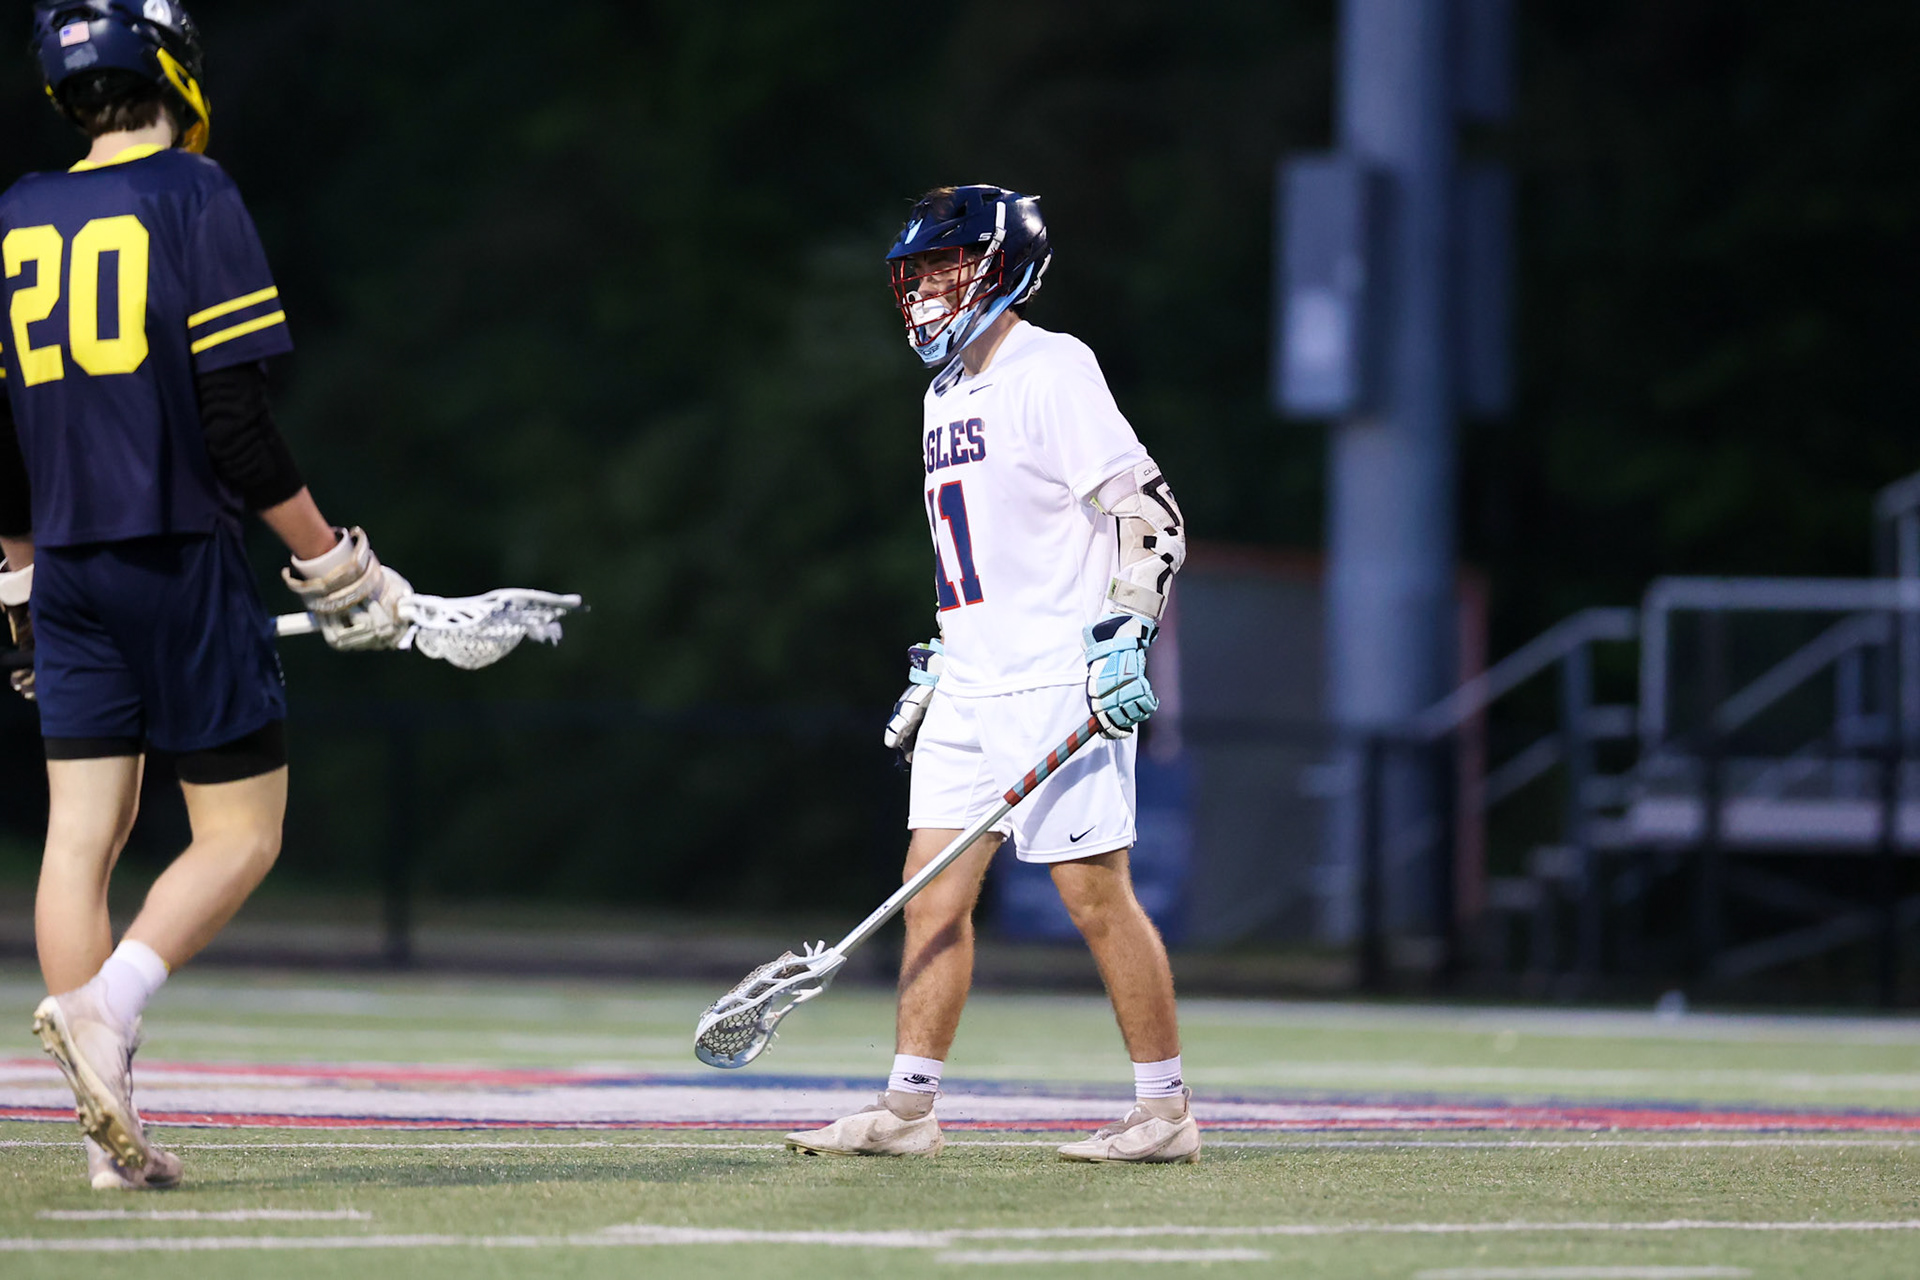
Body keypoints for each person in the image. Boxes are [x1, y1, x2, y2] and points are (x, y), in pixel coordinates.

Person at [0, 1, 411, 1191]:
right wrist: (330, 554)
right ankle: (108, 1008)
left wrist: (17, 567)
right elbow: (234, 422)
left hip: (65, 565)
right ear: (171, 69)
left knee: (81, 837)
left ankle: (101, 1142)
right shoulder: (193, 191)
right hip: (175, 550)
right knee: (242, 832)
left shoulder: (19, 213)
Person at [784, 185, 1195, 1163]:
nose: (925, 287)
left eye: (945, 264)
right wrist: (940, 652)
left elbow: (1151, 515)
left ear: (1001, 266)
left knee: (1093, 892)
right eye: (916, 271)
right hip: (972, 678)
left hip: (1061, 674)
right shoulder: (940, 393)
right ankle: (907, 1107)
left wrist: (1126, 633)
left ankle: (1165, 1109)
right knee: (931, 891)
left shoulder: (1052, 366)